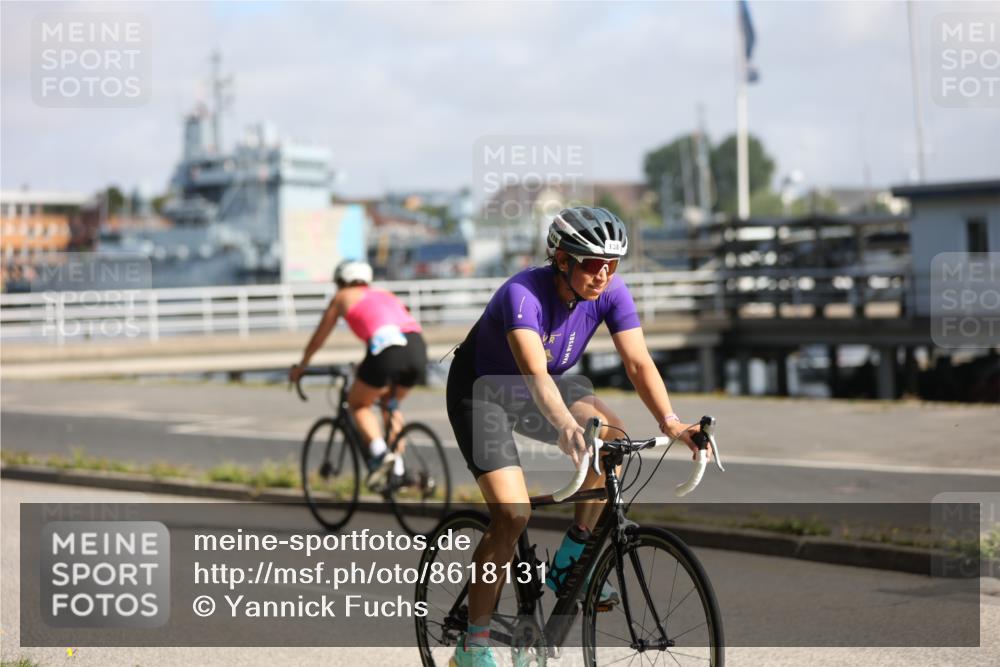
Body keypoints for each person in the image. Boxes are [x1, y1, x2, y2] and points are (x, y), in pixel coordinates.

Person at [445, 206, 712, 666]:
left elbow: (638, 363)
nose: (603, 275)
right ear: (562, 260)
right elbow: (533, 374)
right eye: (593, 264)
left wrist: (670, 421)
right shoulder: (522, 294)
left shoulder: (610, 291)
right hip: (483, 392)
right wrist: (567, 427)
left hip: (542, 386)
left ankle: (574, 554)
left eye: (613, 264)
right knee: (512, 514)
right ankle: (474, 643)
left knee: (612, 437)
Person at [289, 259, 427, 491]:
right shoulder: (384, 294)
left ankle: (381, 454)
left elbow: (319, 336)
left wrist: (302, 365)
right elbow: (389, 330)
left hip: (387, 351)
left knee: (358, 404)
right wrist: (367, 364)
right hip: (417, 347)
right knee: (389, 404)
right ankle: (399, 470)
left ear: (341, 282)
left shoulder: (342, 297)